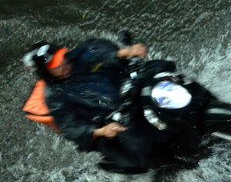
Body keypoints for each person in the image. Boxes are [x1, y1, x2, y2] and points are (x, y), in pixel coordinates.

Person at [23, 37, 179, 173]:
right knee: (140, 154)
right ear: (46, 72)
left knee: (161, 67)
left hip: (128, 91)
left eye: (61, 58)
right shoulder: (55, 97)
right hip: (112, 120)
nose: (63, 63)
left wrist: (124, 53)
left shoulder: (77, 57)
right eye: (56, 66)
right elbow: (71, 127)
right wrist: (101, 131)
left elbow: (99, 53)